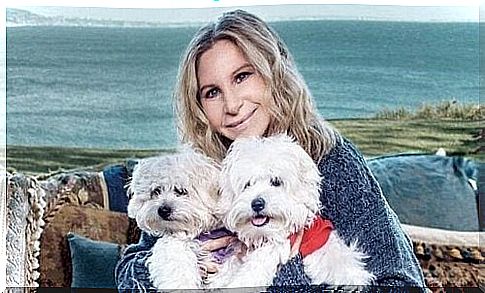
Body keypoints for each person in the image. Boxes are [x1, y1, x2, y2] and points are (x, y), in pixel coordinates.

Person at [115, 9, 426, 290]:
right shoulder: (197, 169)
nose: (232, 105)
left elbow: (401, 283)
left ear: (274, 74)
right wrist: (184, 266)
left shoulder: (330, 158)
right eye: (212, 93)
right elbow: (130, 274)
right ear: (199, 107)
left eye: (242, 77)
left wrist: (272, 271)